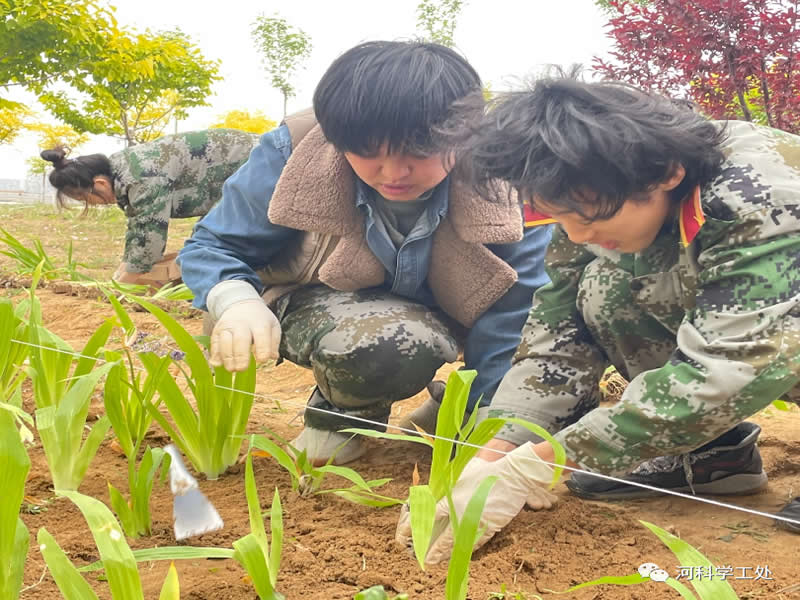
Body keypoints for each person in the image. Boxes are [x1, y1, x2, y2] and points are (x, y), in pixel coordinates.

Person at [402, 72, 800, 564]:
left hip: (772, 325)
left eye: (587, 219)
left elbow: (733, 364)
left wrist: (548, 462)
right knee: (605, 290)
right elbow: (555, 335)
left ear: (668, 175)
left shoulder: (757, 194)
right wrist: (497, 451)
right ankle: (713, 453)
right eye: (559, 217)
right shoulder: (587, 188)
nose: (575, 233)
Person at [177, 40, 553, 466]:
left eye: (419, 152)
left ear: (465, 136)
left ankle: (451, 411)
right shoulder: (295, 148)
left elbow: (518, 303)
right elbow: (212, 244)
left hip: (451, 308)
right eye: (368, 152)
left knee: (540, 368)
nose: (393, 173)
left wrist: (488, 425)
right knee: (389, 339)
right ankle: (339, 420)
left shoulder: (506, 172)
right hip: (325, 304)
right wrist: (237, 301)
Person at [41, 128, 260, 288]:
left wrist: (118, 289)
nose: (94, 205)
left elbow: (148, 239)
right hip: (234, 176)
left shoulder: (141, 177)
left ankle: (244, 288)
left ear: (100, 184)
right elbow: (137, 227)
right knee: (204, 241)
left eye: (87, 199)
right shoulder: (124, 171)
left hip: (260, 164)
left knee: (217, 241)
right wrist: (121, 272)